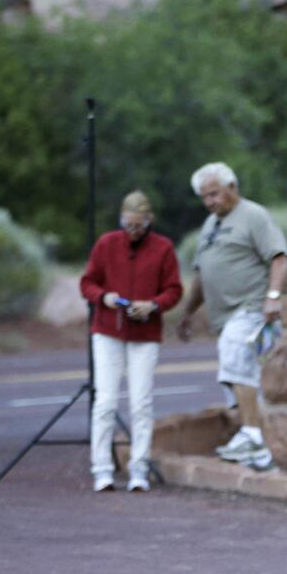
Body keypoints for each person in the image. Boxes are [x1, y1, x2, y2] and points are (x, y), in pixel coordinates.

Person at [176, 162, 287, 471]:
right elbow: (202, 275)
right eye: (204, 196)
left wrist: (274, 297)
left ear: (232, 187)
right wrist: (187, 313)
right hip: (226, 318)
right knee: (239, 380)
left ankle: (250, 434)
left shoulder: (253, 215)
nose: (210, 201)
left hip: (253, 311)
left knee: (236, 361)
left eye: (214, 193)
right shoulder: (210, 226)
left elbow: (279, 257)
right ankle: (260, 452)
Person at [78, 191, 183, 492]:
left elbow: (174, 289)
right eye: (128, 224)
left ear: (149, 221)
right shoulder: (107, 244)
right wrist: (104, 297)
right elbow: (87, 282)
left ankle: (139, 469)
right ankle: (102, 469)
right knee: (105, 402)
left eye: (139, 225)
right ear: (122, 220)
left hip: (145, 334)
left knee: (141, 402)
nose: (133, 230)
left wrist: (153, 304)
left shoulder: (163, 248)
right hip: (108, 330)